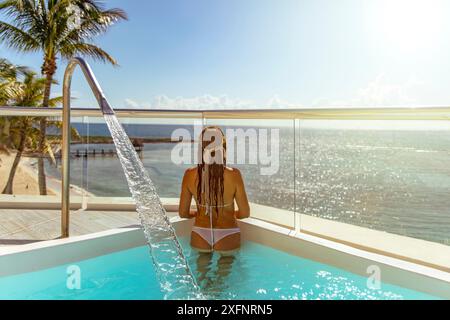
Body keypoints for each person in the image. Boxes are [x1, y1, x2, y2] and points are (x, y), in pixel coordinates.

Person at [178, 126, 250, 253]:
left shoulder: (189, 174)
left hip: (200, 233)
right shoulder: (234, 175)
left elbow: (183, 213)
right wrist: (229, 213)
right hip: (228, 232)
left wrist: (197, 213)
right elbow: (245, 213)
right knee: (225, 271)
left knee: (200, 272)